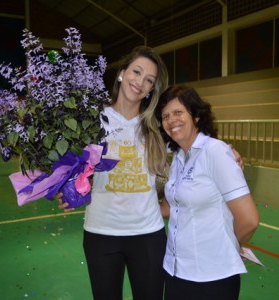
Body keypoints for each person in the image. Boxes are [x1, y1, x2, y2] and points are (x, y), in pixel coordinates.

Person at [60, 46, 169, 300]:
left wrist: (228, 151)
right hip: (101, 234)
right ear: (121, 74)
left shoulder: (156, 126)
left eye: (149, 80)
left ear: (152, 89)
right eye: (137, 72)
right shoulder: (89, 120)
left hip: (148, 235)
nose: (140, 82)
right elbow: (72, 168)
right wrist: (65, 189)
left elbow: (192, 144)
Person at [155, 85, 259, 300]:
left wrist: (228, 246)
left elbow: (249, 220)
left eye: (178, 112)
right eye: (165, 116)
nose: (171, 120)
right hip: (177, 271)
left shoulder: (216, 151)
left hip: (212, 278)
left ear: (196, 116)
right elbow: (169, 207)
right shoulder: (179, 158)